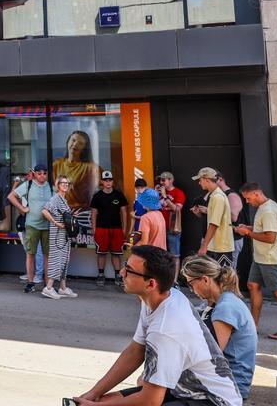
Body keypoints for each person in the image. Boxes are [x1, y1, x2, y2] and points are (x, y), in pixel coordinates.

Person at [75, 246, 243, 406]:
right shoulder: (160, 298)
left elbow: (150, 401)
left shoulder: (165, 329)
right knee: (102, 400)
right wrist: (93, 394)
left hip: (213, 400)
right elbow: (135, 351)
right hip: (183, 390)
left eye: (129, 270)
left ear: (151, 284)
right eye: (126, 266)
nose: (121, 272)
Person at [181, 255, 257, 402]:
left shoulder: (225, 307)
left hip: (230, 387)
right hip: (226, 381)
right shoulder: (223, 300)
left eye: (191, 283)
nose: (191, 289)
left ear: (205, 280)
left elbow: (211, 355)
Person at [234, 183, 277, 341]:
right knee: (252, 285)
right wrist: (248, 227)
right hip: (261, 257)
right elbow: (265, 229)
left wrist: (247, 233)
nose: (247, 202)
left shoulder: (267, 210)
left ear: (256, 194)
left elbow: (270, 237)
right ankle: (253, 325)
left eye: (248, 198)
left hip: (270, 258)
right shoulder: (267, 206)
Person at [8, 163, 53, 294]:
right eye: (39, 173)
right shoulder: (28, 185)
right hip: (32, 225)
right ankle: (30, 283)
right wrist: (22, 208)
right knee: (30, 254)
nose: (42, 176)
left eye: (44, 173)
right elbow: (11, 196)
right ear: (35, 174)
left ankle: (47, 285)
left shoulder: (50, 187)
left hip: (47, 226)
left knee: (47, 256)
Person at [90, 170, 129, 287]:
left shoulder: (119, 195)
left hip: (117, 229)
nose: (108, 182)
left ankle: (118, 275)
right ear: (102, 181)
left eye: (110, 180)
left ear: (113, 181)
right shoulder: (97, 196)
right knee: (101, 253)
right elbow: (93, 213)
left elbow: (124, 212)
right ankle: (101, 274)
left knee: (116, 253)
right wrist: (94, 229)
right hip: (101, 228)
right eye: (105, 180)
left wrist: (124, 228)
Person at [42, 175, 78, 299]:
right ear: (58, 185)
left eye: (67, 183)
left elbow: (62, 215)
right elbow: (44, 211)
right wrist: (55, 222)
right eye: (63, 183)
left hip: (64, 236)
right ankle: (48, 288)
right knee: (56, 260)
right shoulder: (56, 198)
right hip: (57, 235)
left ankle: (63, 288)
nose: (65, 185)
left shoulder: (63, 199)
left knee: (64, 260)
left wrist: (71, 216)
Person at [194, 167, 234, 267]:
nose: (199, 183)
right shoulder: (214, 195)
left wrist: (204, 246)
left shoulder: (217, 197)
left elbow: (214, 224)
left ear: (206, 179)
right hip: (217, 246)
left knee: (223, 276)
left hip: (220, 247)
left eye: (200, 180)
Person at [53, 130, 100, 210]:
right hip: (59, 211)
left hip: (81, 212)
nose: (75, 144)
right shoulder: (56, 165)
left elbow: (106, 184)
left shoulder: (90, 168)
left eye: (80, 143)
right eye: (73, 140)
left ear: (84, 148)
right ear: (68, 142)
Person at [157, 172, 187, 278]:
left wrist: (165, 196)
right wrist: (155, 194)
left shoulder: (178, 193)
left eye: (163, 180)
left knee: (174, 255)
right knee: (160, 254)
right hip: (159, 227)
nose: (161, 182)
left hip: (172, 228)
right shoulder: (158, 192)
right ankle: (162, 278)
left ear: (171, 180)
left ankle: (174, 280)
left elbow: (176, 209)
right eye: (160, 180)